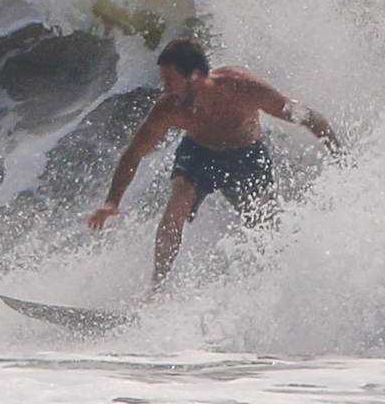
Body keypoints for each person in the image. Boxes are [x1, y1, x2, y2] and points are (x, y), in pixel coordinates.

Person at [88, 38, 341, 287]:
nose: (165, 89)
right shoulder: (169, 108)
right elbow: (134, 153)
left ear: (196, 76)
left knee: (262, 220)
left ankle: (273, 284)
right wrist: (112, 201)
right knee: (178, 201)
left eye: (170, 81)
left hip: (247, 155)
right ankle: (157, 288)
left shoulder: (242, 87)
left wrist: (339, 155)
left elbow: (305, 116)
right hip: (199, 153)